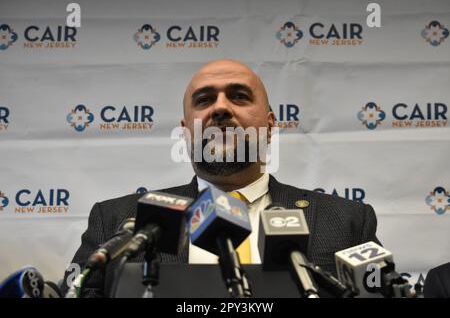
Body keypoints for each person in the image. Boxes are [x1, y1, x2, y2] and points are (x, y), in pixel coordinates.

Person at [61, 59, 380, 297]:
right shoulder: (118, 218)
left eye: (239, 96)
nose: (221, 108)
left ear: (270, 127)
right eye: (204, 100)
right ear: (185, 131)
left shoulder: (346, 219)